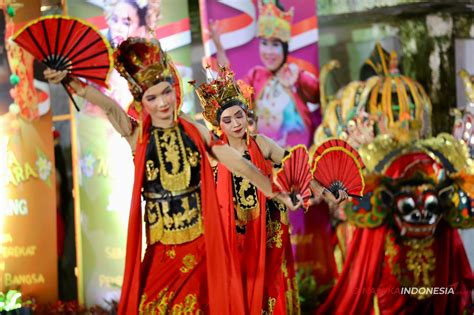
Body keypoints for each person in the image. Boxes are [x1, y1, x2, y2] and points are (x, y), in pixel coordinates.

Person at [45, 38, 298, 315]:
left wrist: (273, 191)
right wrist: (71, 82)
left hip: (201, 244)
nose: (162, 102)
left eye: (165, 92)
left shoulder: (194, 132)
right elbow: (109, 106)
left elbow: (236, 163)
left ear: (173, 91)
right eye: (151, 98)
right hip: (162, 248)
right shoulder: (139, 136)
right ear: (142, 102)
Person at [195, 67, 347, 314]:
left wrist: (326, 191)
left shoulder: (262, 144)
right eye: (227, 120)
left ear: (246, 114)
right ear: (217, 123)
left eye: (239, 116)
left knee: (269, 291)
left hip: (265, 232)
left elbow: (297, 168)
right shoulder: (213, 154)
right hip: (229, 236)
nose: (235, 124)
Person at [209, 0, 320, 148]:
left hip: (302, 154)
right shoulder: (256, 76)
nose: (268, 52)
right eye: (264, 43)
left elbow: (317, 94)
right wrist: (220, 50)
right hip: (266, 158)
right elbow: (232, 95)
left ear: (285, 47)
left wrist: (298, 78)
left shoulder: (295, 75)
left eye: (275, 45)